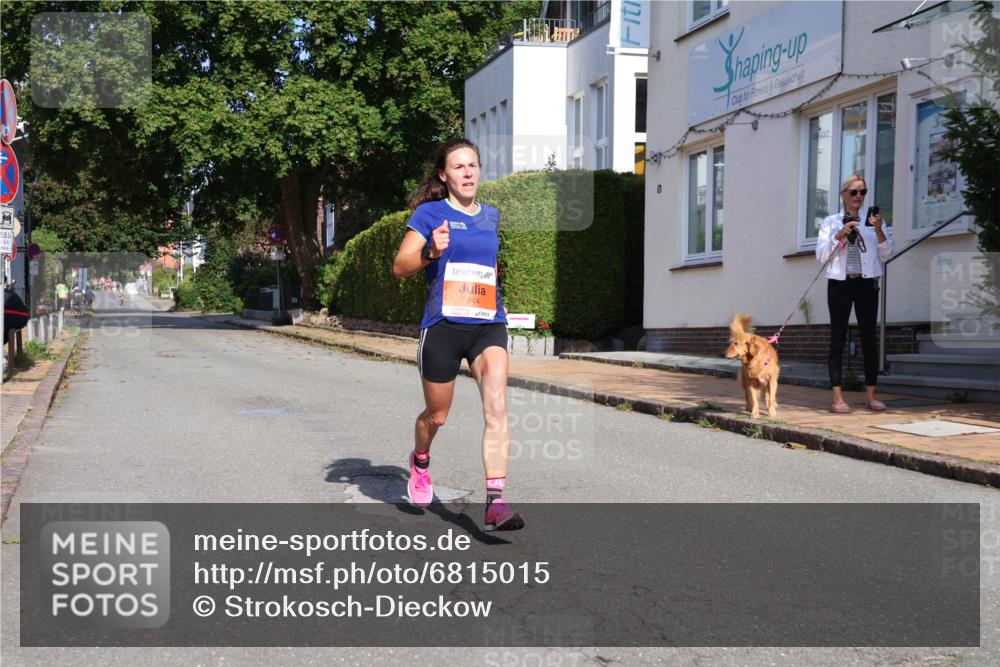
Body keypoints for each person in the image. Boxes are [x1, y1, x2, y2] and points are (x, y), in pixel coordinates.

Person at [391, 138, 524, 532]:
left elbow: (489, 266)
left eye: (473, 166)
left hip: (487, 324)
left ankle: (495, 502)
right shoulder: (430, 214)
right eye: (459, 167)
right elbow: (400, 266)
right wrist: (430, 252)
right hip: (443, 326)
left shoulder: (492, 215)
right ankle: (420, 460)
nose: (468, 173)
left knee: (496, 408)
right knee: (437, 416)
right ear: (444, 175)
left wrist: (497, 297)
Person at [816, 174, 894, 413]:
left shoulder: (873, 223)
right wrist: (840, 234)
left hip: (866, 284)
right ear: (843, 195)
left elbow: (887, 254)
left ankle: (871, 396)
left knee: (869, 339)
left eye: (863, 192)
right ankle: (837, 398)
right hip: (840, 284)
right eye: (854, 192)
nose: (859, 196)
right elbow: (821, 256)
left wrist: (878, 230)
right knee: (838, 339)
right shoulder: (831, 222)